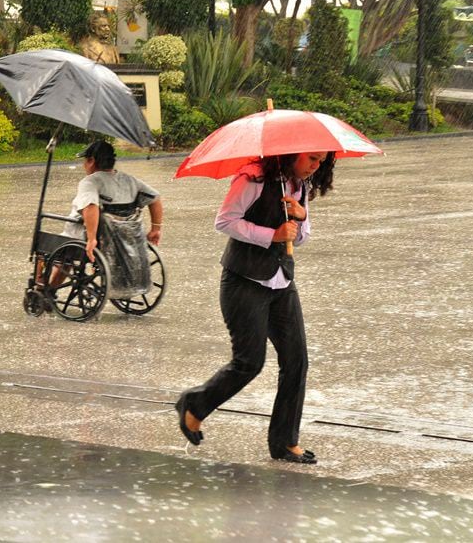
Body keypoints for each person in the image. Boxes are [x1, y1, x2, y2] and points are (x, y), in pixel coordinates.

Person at [175, 151, 335, 464]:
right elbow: (225, 221)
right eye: (312, 158)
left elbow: (299, 239)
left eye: (322, 161)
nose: (316, 165)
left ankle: (284, 443)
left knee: (297, 361)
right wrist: (270, 234)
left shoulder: (297, 186)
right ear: (293, 153)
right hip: (243, 282)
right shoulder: (253, 178)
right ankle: (194, 405)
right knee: (249, 362)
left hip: (281, 282)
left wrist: (300, 218)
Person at [37, 139, 163, 287]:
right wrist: (156, 229)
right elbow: (155, 198)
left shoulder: (90, 182)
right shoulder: (130, 181)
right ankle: (50, 288)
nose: (84, 164)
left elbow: (91, 206)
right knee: (66, 253)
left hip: (84, 239)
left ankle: (43, 287)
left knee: (43, 248)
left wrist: (91, 240)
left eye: (85, 160)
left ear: (91, 161)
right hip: (124, 240)